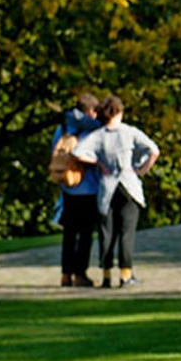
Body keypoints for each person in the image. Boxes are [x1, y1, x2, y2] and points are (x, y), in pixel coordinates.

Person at [74, 95, 160, 289]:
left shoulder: (99, 135)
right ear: (119, 112)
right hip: (128, 184)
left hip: (107, 186)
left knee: (106, 233)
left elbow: (77, 152)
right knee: (126, 232)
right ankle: (125, 275)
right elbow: (154, 150)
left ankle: (106, 276)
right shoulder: (129, 132)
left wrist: (98, 162)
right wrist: (142, 169)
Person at [54, 93, 102, 287]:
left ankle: (65, 274)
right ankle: (80, 274)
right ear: (90, 111)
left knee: (69, 234)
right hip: (88, 187)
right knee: (85, 234)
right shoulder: (92, 130)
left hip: (67, 185)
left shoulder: (63, 127)